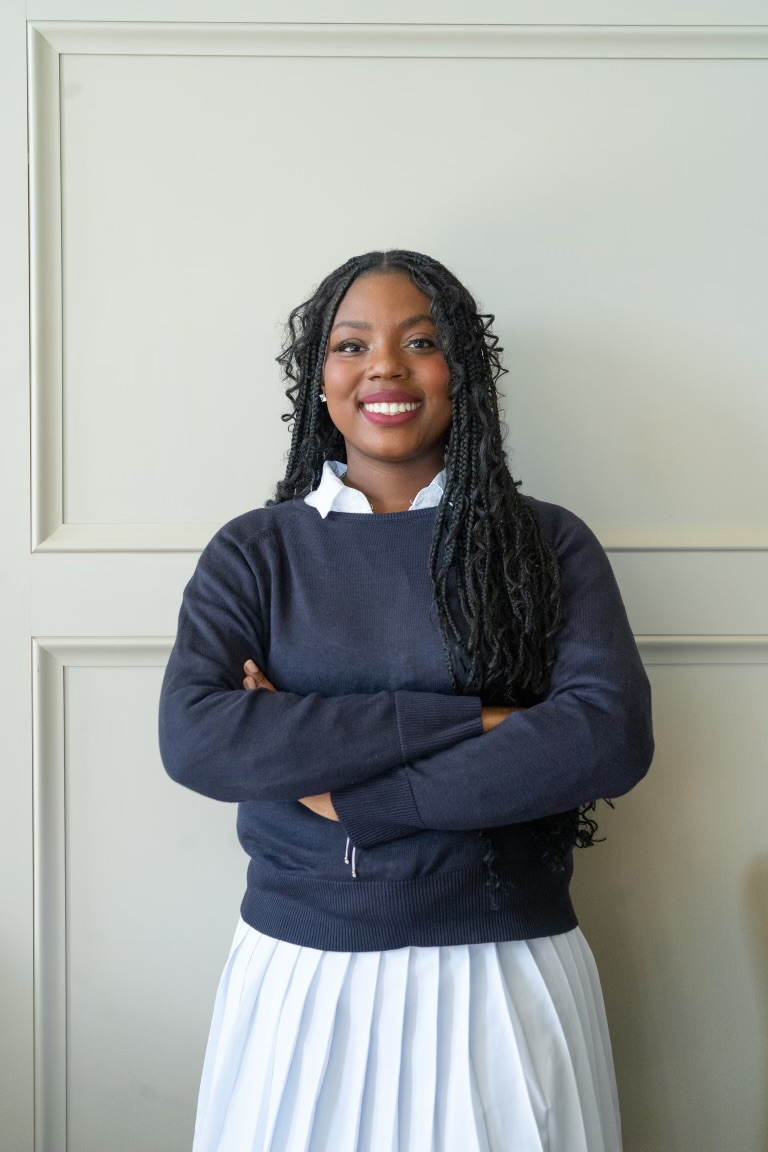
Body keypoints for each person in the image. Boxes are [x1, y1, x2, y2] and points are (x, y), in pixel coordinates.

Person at [158, 248, 654, 1152]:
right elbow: (199, 739)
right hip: (304, 978)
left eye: (420, 340)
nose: (384, 364)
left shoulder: (546, 543)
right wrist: (476, 716)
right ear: (319, 381)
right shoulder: (255, 552)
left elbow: (605, 737)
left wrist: (351, 794)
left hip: (504, 972)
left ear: (462, 372)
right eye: (351, 346)